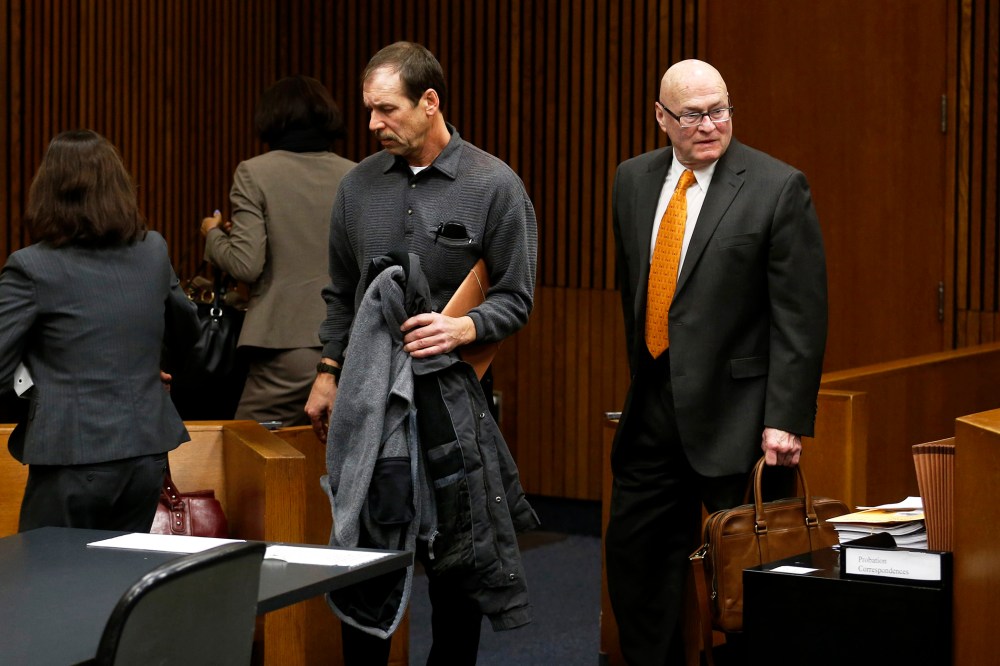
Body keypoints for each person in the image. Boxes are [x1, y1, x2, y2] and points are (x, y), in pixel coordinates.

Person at [305, 42, 538, 666]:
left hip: (455, 405)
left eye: (387, 110)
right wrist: (328, 371)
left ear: (429, 102)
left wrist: (465, 330)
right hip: (371, 407)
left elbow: (518, 297)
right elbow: (340, 294)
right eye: (370, 111)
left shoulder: (494, 184)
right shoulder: (356, 188)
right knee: (368, 557)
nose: (373, 124)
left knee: (458, 567)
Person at [606, 59, 828, 665]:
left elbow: (800, 317)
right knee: (637, 570)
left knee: (751, 582)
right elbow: (637, 288)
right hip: (652, 410)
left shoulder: (777, 187)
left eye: (720, 109)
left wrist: (785, 418)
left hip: (740, 421)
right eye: (693, 114)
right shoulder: (632, 180)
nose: (710, 125)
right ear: (661, 118)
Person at [0, 129, 199, 532]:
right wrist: (143, 369)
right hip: (145, 454)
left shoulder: (31, 267)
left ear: (48, 192)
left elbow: (2, 372)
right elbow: (188, 334)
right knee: (120, 585)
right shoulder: (153, 251)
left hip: (69, 457)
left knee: (45, 587)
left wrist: (36, 391)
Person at [201, 75, 356, 427]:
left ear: (271, 118)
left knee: (245, 450)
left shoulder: (254, 173)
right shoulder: (356, 175)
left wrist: (212, 236)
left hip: (287, 348)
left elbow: (245, 264)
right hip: (352, 347)